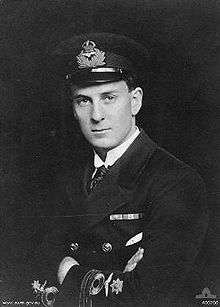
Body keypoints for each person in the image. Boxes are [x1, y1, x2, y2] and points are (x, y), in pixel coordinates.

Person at [32, 33, 209, 307]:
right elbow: (31, 276)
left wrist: (68, 272)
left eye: (109, 97)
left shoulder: (176, 182)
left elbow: (148, 295)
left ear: (135, 101)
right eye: (83, 100)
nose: (96, 115)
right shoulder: (67, 179)